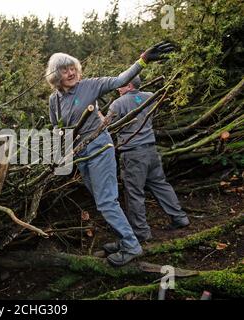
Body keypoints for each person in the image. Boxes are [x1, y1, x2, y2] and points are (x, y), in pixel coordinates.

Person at [46, 41, 174, 266]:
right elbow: (57, 127)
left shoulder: (90, 86)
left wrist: (142, 59)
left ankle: (131, 246)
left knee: (106, 201)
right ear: (56, 74)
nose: (71, 72)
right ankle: (125, 239)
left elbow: (120, 80)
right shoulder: (54, 100)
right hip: (81, 154)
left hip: (99, 148)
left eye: (73, 67)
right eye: (65, 69)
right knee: (103, 200)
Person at [107, 75, 190, 242]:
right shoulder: (150, 96)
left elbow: (107, 126)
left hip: (133, 154)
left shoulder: (118, 103)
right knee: (160, 184)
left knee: (134, 193)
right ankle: (180, 218)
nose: (118, 88)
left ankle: (141, 233)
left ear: (129, 85)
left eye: (121, 85)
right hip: (151, 151)